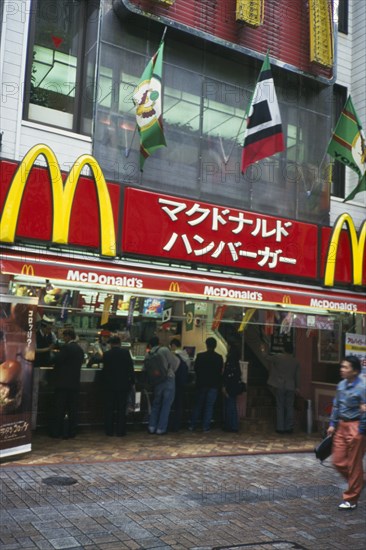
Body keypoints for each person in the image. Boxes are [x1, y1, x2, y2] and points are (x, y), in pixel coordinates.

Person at [327, 355, 366, 511]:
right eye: (341, 366)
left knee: (354, 464)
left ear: (355, 371)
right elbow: (336, 406)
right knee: (338, 461)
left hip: (356, 426)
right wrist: (332, 424)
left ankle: (351, 499)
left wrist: (361, 431)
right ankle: (360, 481)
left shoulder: (362, 387)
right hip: (341, 426)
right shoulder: (341, 385)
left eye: (345, 367)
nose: (342, 370)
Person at [50, 328, 84, 439]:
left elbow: (56, 360)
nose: (63, 339)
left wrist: (51, 354)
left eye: (64, 336)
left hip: (63, 384)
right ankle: (71, 432)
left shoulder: (66, 348)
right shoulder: (80, 349)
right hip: (74, 384)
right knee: (72, 409)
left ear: (69, 336)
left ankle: (57, 432)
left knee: (59, 409)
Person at [262, 340, 300, 434]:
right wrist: (297, 387)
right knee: (289, 407)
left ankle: (280, 428)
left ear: (284, 349)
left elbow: (267, 357)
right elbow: (297, 376)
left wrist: (263, 350)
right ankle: (289, 427)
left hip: (280, 385)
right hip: (291, 386)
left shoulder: (278, 357)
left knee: (280, 406)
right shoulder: (296, 361)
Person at [145, 336, 180, 435]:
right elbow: (176, 362)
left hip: (157, 381)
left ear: (150, 345)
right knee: (166, 405)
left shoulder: (148, 354)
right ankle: (161, 429)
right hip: (168, 379)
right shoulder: (164, 350)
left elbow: (146, 369)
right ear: (159, 342)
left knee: (156, 404)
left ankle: (151, 427)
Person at [101, 335, 135, 436]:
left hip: (109, 386)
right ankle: (120, 431)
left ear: (111, 344)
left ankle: (109, 431)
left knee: (109, 409)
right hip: (123, 385)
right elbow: (130, 368)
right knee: (121, 409)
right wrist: (132, 382)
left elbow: (104, 370)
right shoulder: (125, 353)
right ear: (120, 343)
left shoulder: (106, 354)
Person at [189, 337, 223, 433]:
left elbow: (196, 369)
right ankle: (205, 427)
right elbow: (220, 372)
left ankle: (192, 425)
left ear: (206, 345)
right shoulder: (219, 358)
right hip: (213, 385)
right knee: (209, 406)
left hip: (201, 384)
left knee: (198, 405)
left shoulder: (200, 356)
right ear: (215, 346)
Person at [169, 338, 191, 431]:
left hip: (173, 382)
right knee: (180, 405)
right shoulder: (186, 355)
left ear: (173, 345)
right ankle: (177, 426)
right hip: (183, 383)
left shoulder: (173, 355)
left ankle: (170, 424)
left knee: (171, 404)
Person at [222, 343, 242, 433]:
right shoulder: (236, 361)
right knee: (232, 405)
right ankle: (234, 425)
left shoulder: (230, 361)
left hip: (230, 386)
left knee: (230, 405)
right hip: (234, 386)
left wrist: (224, 386)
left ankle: (230, 425)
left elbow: (227, 375)